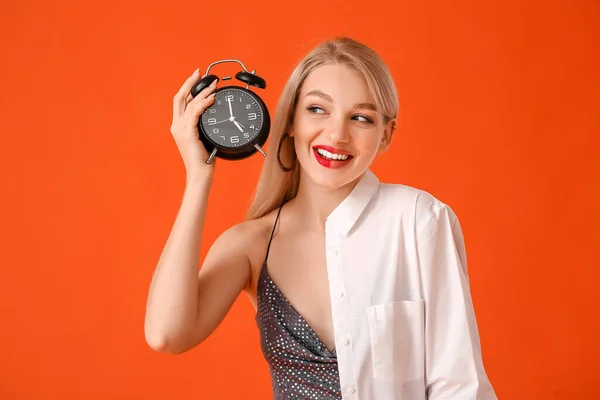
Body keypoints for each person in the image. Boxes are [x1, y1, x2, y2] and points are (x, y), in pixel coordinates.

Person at [144, 37, 498, 399]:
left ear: (386, 134)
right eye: (317, 109)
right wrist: (198, 176)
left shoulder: (419, 220)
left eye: (361, 117)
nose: (337, 134)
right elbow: (166, 334)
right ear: (291, 119)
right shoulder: (252, 246)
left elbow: (460, 386)